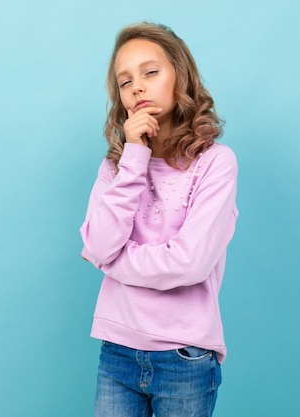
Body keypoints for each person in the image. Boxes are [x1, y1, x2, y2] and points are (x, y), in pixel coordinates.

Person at [79, 21, 238, 417]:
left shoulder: (215, 164)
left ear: (179, 75)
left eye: (150, 72)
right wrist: (134, 157)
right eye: (125, 80)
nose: (137, 86)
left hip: (183, 357)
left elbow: (189, 263)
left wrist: (114, 262)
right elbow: (97, 245)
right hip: (117, 351)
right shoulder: (115, 166)